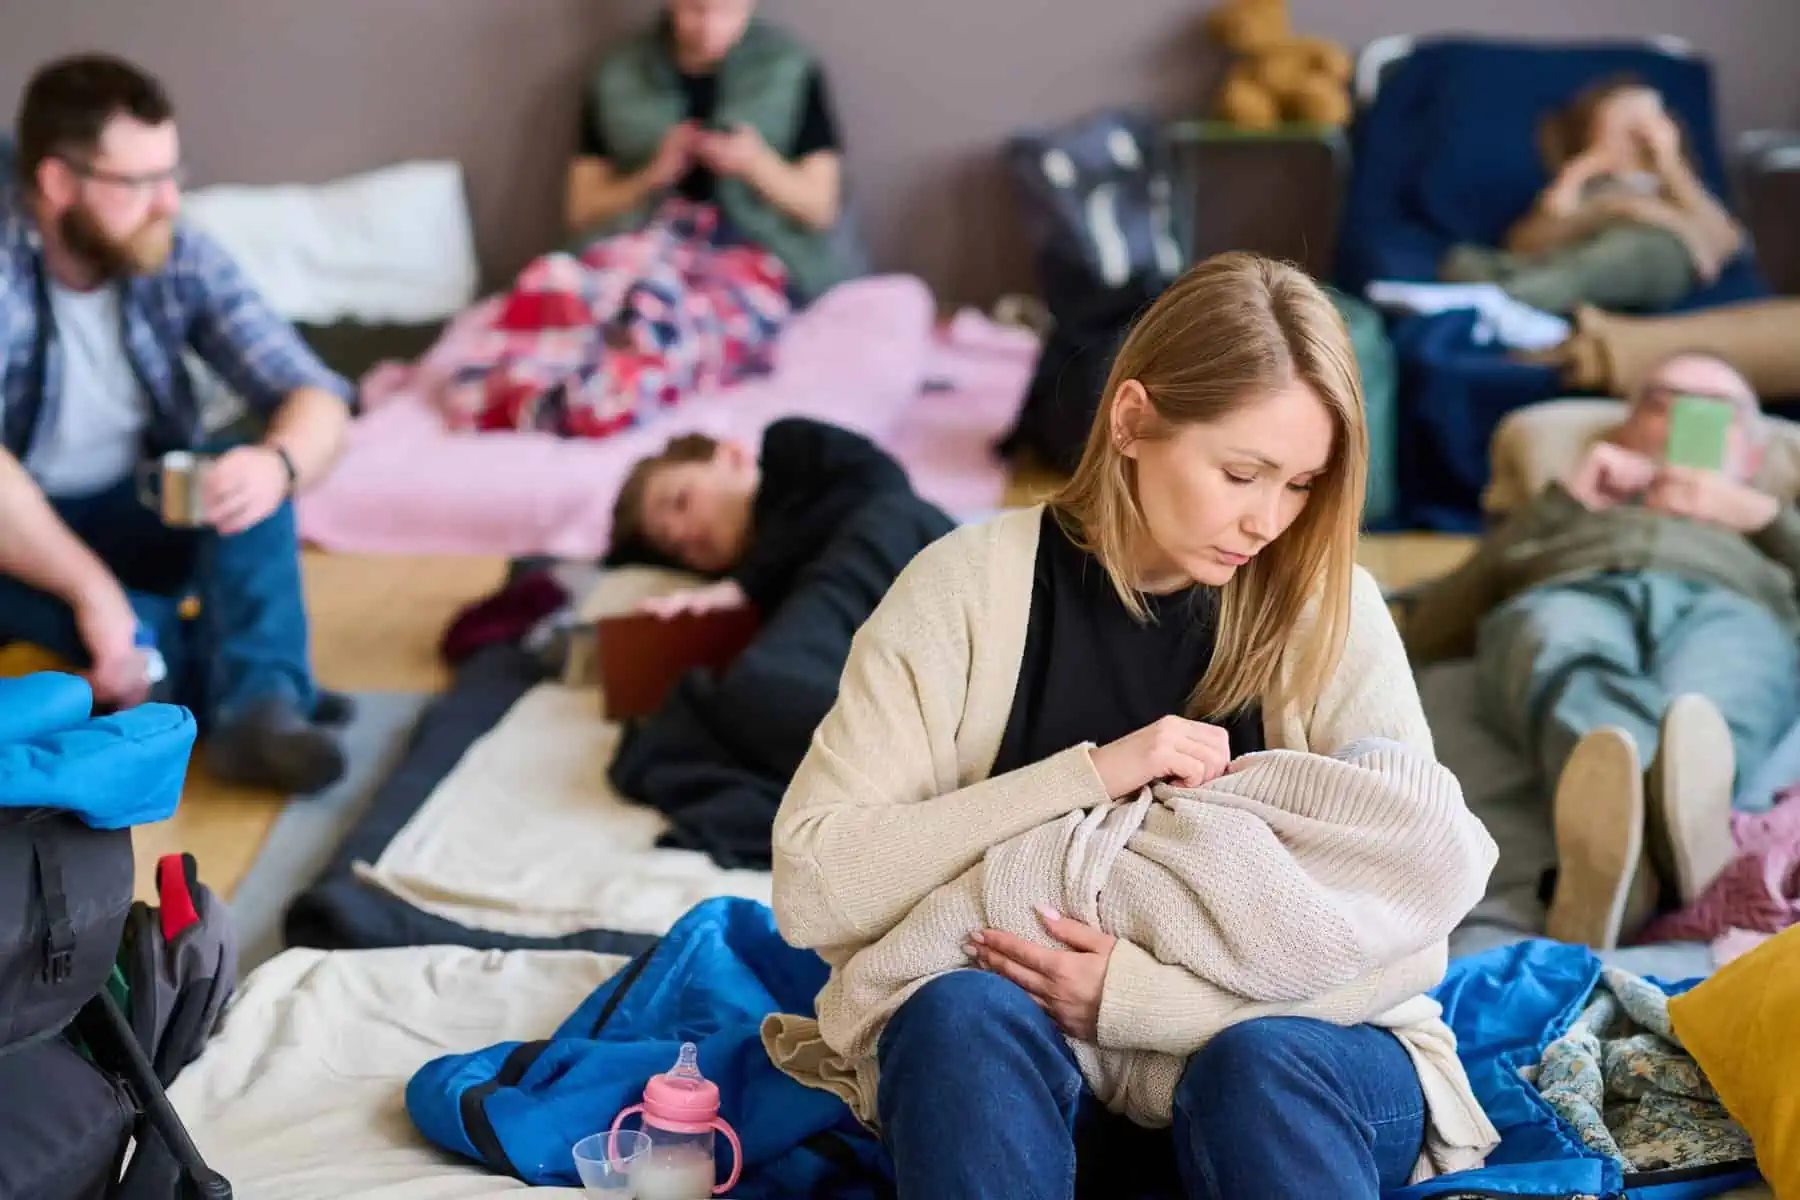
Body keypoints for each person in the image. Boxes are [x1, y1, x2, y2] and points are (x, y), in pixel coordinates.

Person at [766, 253, 1502, 1198]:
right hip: (1041, 1082)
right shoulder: (963, 590)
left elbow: (1417, 916)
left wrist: (1140, 1003)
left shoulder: (1332, 612)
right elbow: (814, 888)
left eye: (1301, 485)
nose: (1268, 520)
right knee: (956, 1017)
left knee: (1259, 1063)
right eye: (1242, 472)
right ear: (1132, 421)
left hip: (1296, 1070)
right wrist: (1093, 776)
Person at [0, 54, 355, 794]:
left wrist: (279, 464)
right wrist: (95, 596)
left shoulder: (175, 252)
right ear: (58, 183)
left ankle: (253, 706)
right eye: (138, 183)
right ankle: (246, 678)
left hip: (135, 504)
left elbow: (315, 394)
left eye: (171, 175)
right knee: (84, 617)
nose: (168, 202)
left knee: (244, 466)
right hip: (22, 538)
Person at [1403, 352, 1800, 950]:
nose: (1682, 420)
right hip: (1576, 588)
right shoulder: (1567, 510)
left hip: (1732, 605)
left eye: (1717, 413)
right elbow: (1430, 628)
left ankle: (1628, 847)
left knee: (1711, 704)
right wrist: (1560, 503)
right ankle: (1653, 844)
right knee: (1557, 645)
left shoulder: (1767, 525)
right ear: (1628, 427)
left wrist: (1764, 518)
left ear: (1749, 453)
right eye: (1661, 402)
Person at [565, 0, 850, 303]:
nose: (708, 28)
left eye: (726, 11)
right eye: (694, 10)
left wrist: (755, 164)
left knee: (699, 305)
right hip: (641, 244)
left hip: (751, 252)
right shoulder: (617, 75)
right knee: (571, 288)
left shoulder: (790, 70)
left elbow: (820, 209)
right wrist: (652, 175)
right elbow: (581, 210)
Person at [1441, 76, 1745, 315]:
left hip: (1648, 254)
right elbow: (1525, 244)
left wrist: (1670, 165)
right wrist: (1583, 171)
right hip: (1577, 256)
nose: (1635, 132)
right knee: (1464, 259)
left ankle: (1514, 298)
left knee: (1618, 253)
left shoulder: (1672, 188)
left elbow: (1726, 242)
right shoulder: (1594, 189)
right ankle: (1519, 291)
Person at [607, 416, 912, 619]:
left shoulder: (791, 448)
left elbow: (881, 485)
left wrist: (744, 587)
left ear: (733, 455)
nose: (680, 533)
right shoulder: (744, 599)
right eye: (675, 549)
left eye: (681, 502)